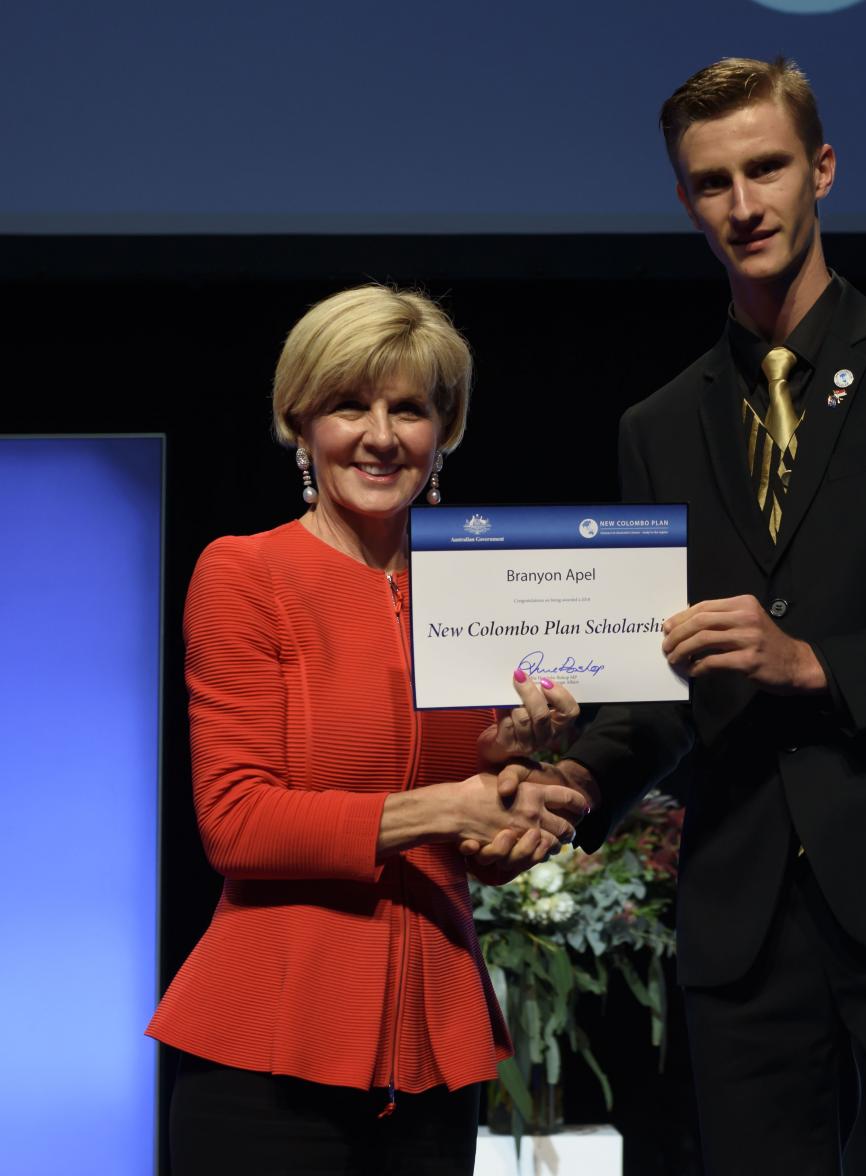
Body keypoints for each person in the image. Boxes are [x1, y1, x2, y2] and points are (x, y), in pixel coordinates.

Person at [489, 57, 866, 1175]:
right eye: (713, 182)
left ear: (822, 169)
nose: (745, 205)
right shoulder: (657, 425)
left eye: (767, 169)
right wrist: (580, 776)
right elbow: (665, 687)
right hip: (745, 916)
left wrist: (819, 663)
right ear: (684, 202)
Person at [147, 284, 588, 1176]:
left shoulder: (484, 588)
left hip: (434, 1052)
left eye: (411, 409)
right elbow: (237, 824)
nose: (381, 436)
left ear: (445, 429)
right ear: (300, 421)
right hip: (267, 1053)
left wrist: (519, 788)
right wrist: (443, 810)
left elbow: (471, 838)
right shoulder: (244, 572)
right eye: (350, 405)